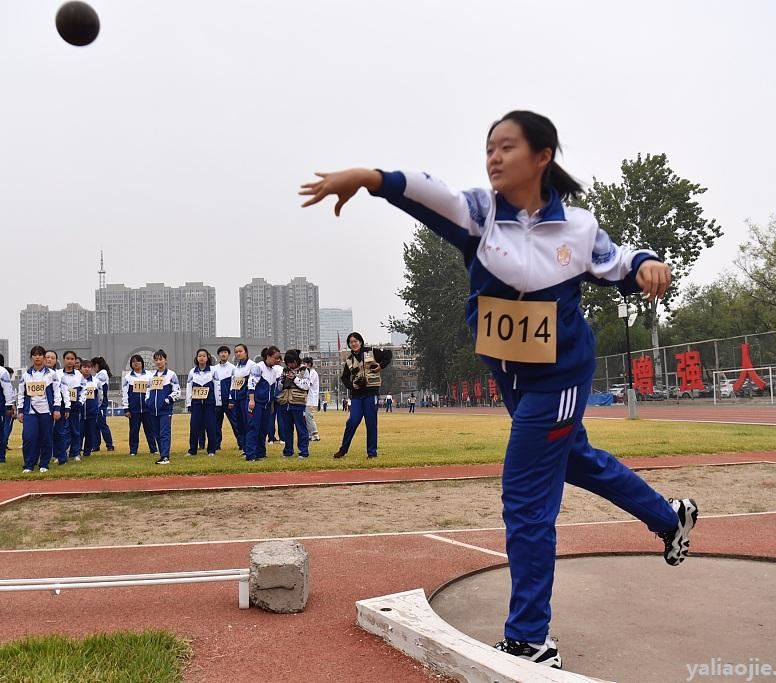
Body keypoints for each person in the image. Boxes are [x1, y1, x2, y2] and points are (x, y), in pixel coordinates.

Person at [298, 109, 698, 668]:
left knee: (526, 497)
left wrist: (650, 264)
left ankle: (531, 637)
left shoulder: (577, 229)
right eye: (489, 147)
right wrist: (366, 178)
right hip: (513, 376)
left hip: (559, 376)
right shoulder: (479, 215)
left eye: (506, 146)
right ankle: (669, 516)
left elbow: (620, 262)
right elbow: (424, 191)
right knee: (575, 458)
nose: (493, 156)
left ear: (543, 157)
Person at [328, 333, 391, 459]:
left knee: (371, 423)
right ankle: (343, 449)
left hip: (370, 393)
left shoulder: (371, 352)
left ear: (360, 342)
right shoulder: (349, 360)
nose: (353, 343)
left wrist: (380, 366)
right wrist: (351, 386)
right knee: (352, 421)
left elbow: (388, 354)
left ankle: (372, 453)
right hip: (357, 395)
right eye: (351, 342)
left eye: (355, 341)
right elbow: (344, 377)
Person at [16, 345, 63, 474]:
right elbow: (21, 394)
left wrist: (57, 409)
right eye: (35, 355)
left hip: (46, 411)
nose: (37, 357)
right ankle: (29, 464)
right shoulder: (26, 375)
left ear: (43, 357)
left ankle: (44, 463)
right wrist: (20, 411)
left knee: (46, 438)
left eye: (40, 354)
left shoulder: (51, 374)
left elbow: (57, 392)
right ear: (31, 357)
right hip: (30, 412)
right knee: (29, 437)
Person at [245, 346, 282, 461]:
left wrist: (271, 404)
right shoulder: (258, 367)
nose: (278, 360)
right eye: (276, 358)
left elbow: (274, 388)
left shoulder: (274, 370)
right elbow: (251, 384)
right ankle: (250, 454)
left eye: (279, 358)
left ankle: (261, 453)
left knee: (263, 430)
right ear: (268, 356)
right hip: (257, 403)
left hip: (267, 404)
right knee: (253, 428)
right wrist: (252, 400)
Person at [276, 349, 311, 458]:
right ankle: (288, 451)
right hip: (285, 402)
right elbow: (279, 388)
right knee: (287, 429)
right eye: (288, 363)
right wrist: (282, 381)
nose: (290, 365)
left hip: (298, 402)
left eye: (292, 362)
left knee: (301, 428)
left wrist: (294, 378)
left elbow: (306, 385)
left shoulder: (304, 370)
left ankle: (303, 451)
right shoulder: (285, 370)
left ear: (297, 360)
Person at [147, 349, 181, 464]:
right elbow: (148, 390)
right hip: (153, 411)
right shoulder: (152, 377)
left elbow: (177, 391)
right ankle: (162, 455)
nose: (158, 362)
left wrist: (167, 400)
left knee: (164, 433)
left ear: (165, 360)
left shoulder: (171, 375)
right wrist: (148, 401)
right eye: (156, 360)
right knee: (157, 434)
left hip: (165, 410)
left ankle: (165, 456)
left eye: (160, 359)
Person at [185, 348, 219, 456]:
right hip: (196, 404)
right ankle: (192, 450)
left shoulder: (213, 371)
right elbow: (189, 388)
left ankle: (211, 450)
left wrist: (218, 403)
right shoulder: (192, 371)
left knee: (211, 426)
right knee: (194, 426)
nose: (202, 358)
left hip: (209, 403)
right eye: (199, 356)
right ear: (196, 358)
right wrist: (189, 404)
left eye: (204, 356)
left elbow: (217, 387)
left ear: (208, 357)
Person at [122, 354, 154, 457]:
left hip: (147, 409)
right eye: (133, 361)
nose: (136, 363)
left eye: (138, 361)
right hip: (134, 409)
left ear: (142, 363)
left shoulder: (149, 375)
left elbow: (153, 390)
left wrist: (151, 404)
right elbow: (125, 393)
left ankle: (153, 449)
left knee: (150, 430)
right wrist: (126, 408)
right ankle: (133, 451)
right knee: (134, 431)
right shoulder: (127, 377)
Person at [44, 350, 71, 466]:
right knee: (44, 433)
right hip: (42, 408)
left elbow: (65, 392)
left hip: (58, 407)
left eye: (52, 358)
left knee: (59, 433)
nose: (49, 359)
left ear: (56, 361)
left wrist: (67, 407)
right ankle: (45, 456)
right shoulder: (37, 374)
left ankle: (61, 457)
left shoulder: (60, 375)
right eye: (47, 357)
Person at [59, 351, 86, 462]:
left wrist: (80, 402)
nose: (70, 361)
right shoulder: (58, 373)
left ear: (75, 361)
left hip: (75, 406)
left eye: (72, 359)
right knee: (62, 431)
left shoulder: (79, 375)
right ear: (64, 359)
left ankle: (75, 453)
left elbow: (84, 389)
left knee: (75, 430)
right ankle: (61, 453)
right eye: (67, 358)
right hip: (61, 406)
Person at [229, 343, 255, 454]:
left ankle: (251, 449)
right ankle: (244, 448)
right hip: (237, 400)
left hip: (246, 399)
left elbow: (252, 383)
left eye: (240, 351)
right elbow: (233, 384)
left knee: (248, 424)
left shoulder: (252, 365)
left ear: (246, 352)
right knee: (240, 425)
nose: (238, 353)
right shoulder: (236, 368)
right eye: (236, 352)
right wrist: (231, 399)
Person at [213, 346, 238, 450]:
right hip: (217, 402)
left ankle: (241, 443)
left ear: (228, 354)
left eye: (225, 352)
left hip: (229, 401)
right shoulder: (214, 369)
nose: (223, 354)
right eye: (221, 352)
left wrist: (232, 400)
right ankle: (216, 445)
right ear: (218, 355)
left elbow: (234, 385)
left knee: (235, 423)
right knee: (216, 425)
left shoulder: (233, 368)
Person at [91, 357, 115, 452]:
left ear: (97, 365)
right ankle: (96, 445)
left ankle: (109, 445)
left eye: (93, 366)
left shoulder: (102, 374)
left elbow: (100, 389)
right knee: (96, 424)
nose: (93, 369)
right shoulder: (99, 374)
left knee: (101, 423)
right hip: (97, 401)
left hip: (100, 401)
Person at [79, 359, 101, 459]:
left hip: (92, 412)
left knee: (90, 433)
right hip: (79, 412)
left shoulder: (96, 381)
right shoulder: (77, 380)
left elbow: (100, 396)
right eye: (84, 367)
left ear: (91, 369)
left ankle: (87, 452)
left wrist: (97, 407)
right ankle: (76, 451)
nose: (86, 369)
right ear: (80, 368)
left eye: (89, 367)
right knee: (79, 432)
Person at [302, 357, 321, 441]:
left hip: (311, 399)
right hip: (308, 399)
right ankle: (310, 434)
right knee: (306, 417)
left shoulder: (312, 373)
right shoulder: (309, 372)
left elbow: (308, 384)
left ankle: (315, 434)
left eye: (304, 363)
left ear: (308, 364)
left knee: (309, 416)